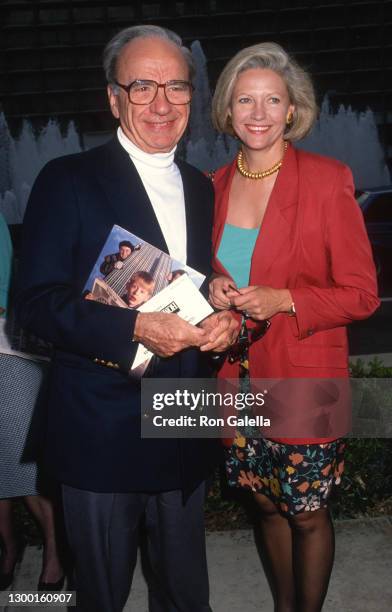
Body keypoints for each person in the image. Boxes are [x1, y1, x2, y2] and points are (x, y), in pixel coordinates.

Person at [15, 25, 237, 612]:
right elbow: (32, 308)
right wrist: (133, 328)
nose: (162, 103)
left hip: (184, 417)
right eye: (142, 87)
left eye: (177, 86)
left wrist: (227, 321)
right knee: (103, 594)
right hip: (102, 426)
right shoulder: (67, 180)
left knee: (186, 591)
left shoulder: (201, 186)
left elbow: (203, 287)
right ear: (112, 97)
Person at [209, 42, 379, 612]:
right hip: (236, 382)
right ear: (228, 111)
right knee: (263, 502)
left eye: (271, 100)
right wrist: (211, 288)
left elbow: (362, 294)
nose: (258, 113)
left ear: (291, 110)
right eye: (245, 100)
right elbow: (200, 273)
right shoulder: (208, 188)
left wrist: (286, 298)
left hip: (305, 374)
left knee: (306, 511)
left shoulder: (329, 180)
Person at [0, 213, 64, 591]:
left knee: (23, 462)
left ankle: (56, 550)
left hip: (6, 350)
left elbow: (10, 285)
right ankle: (9, 546)